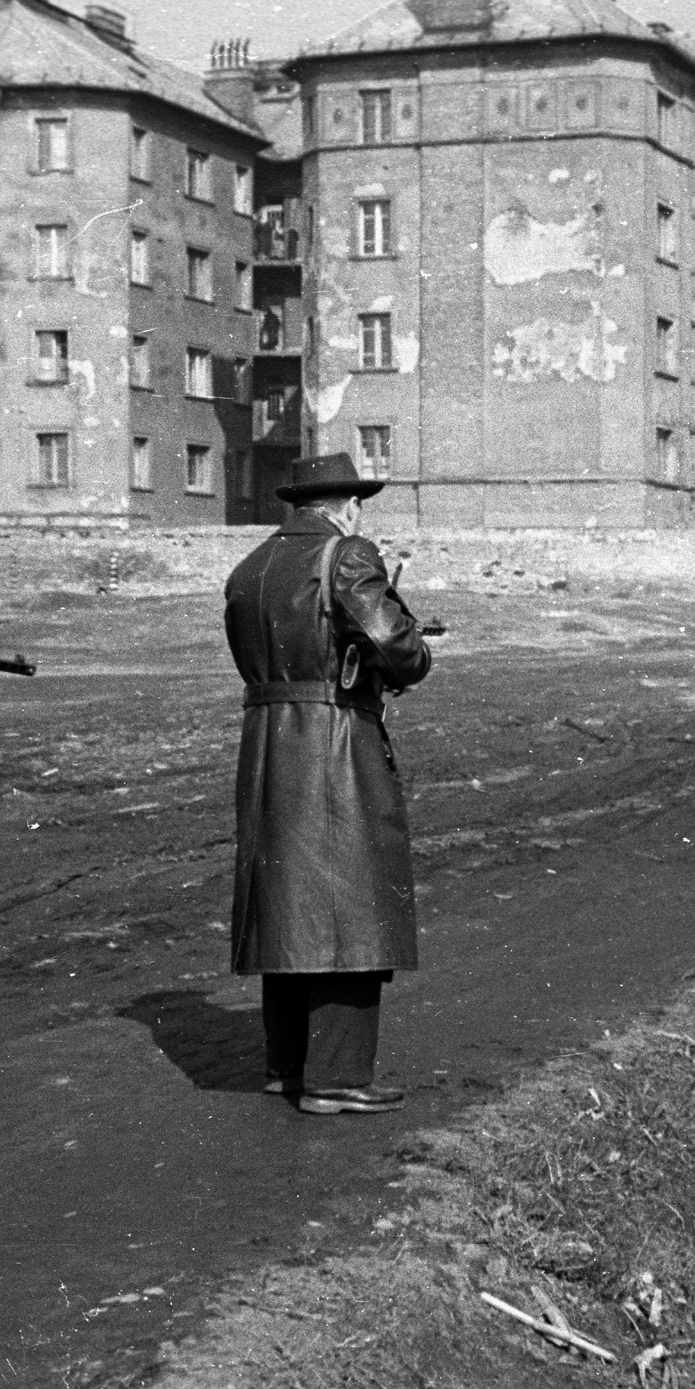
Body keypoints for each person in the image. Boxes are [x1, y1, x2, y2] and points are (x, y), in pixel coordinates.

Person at [224, 452, 433, 1114]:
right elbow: (393, 641)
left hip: (266, 744)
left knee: (288, 901)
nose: (359, 514)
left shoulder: (250, 566)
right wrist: (411, 650)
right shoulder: (347, 554)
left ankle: (288, 1066)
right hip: (335, 741)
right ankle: (338, 1076)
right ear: (345, 505)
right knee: (351, 902)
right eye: (358, 504)